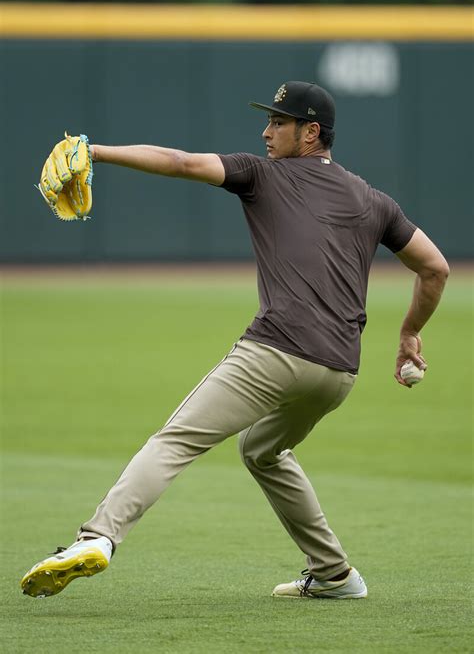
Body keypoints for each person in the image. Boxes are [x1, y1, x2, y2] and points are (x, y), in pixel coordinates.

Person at [21, 81, 449, 600]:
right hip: (338, 372)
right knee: (264, 450)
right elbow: (434, 267)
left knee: (175, 440)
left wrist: (94, 151)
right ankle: (336, 576)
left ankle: (96, 538)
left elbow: (178, 162)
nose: (266, 131)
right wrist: (409, 335)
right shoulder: (373, 200)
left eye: (279, 122)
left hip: (276, 350)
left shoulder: (261, 174)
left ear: (310, 132)